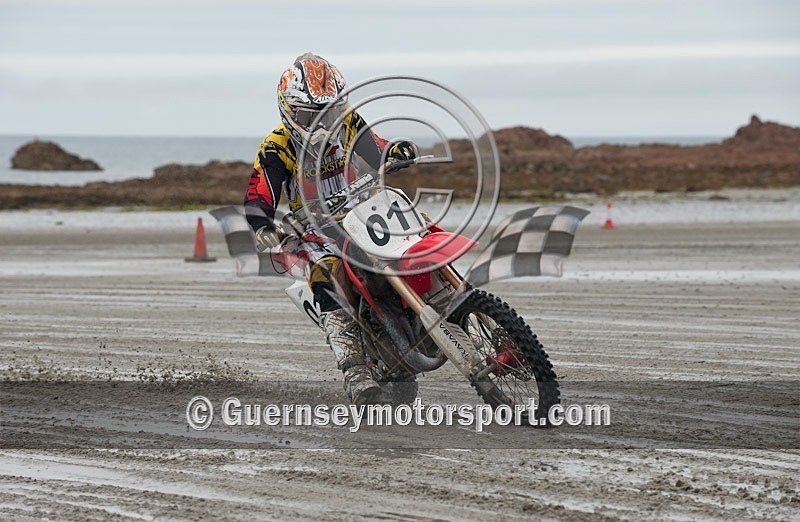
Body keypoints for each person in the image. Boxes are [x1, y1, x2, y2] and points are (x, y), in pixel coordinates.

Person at [243, 52, 418, 406]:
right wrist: (263, 226)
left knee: (421, 236)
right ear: (290, 112)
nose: (324, 124)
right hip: (315, 231)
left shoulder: (350, 123)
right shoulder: (277, 147)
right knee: (326, 279)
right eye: (313, 116)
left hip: (367, 212)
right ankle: (356, 373)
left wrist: (394, 150)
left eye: (331, 112)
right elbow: (259, 196)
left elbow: (377, 149)